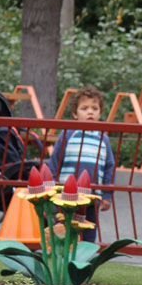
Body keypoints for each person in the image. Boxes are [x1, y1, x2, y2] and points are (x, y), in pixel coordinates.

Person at [46, 86, 115, 242]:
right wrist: (50, 188)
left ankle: (86, 254)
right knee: (64, 225)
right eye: (84, 108)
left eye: (95, 108)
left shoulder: (103, 139)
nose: (90, 112)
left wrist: (107, 195)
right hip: (66, 194)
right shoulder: (68, 134)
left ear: (100, 113)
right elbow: (55, 161)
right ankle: (62, 251)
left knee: (89, 227)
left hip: (92, 196)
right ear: (75, 114)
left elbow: (109, 166)